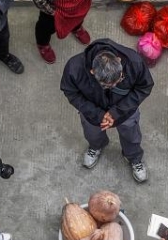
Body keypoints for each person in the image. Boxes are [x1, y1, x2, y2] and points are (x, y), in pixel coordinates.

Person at [61, 38, 154, 183]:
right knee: (92, 134)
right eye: (108, 85)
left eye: (119, 79)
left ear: (119, 60)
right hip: (92, 114)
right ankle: (96, 146)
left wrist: (117, 112)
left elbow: (144, 87)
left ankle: (134, 157)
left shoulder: (134, 62)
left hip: (126, 112)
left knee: (131, 136)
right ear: (92, 72)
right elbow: (71, 92)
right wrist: (97, 114)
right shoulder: (74, 68)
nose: (115, 85)